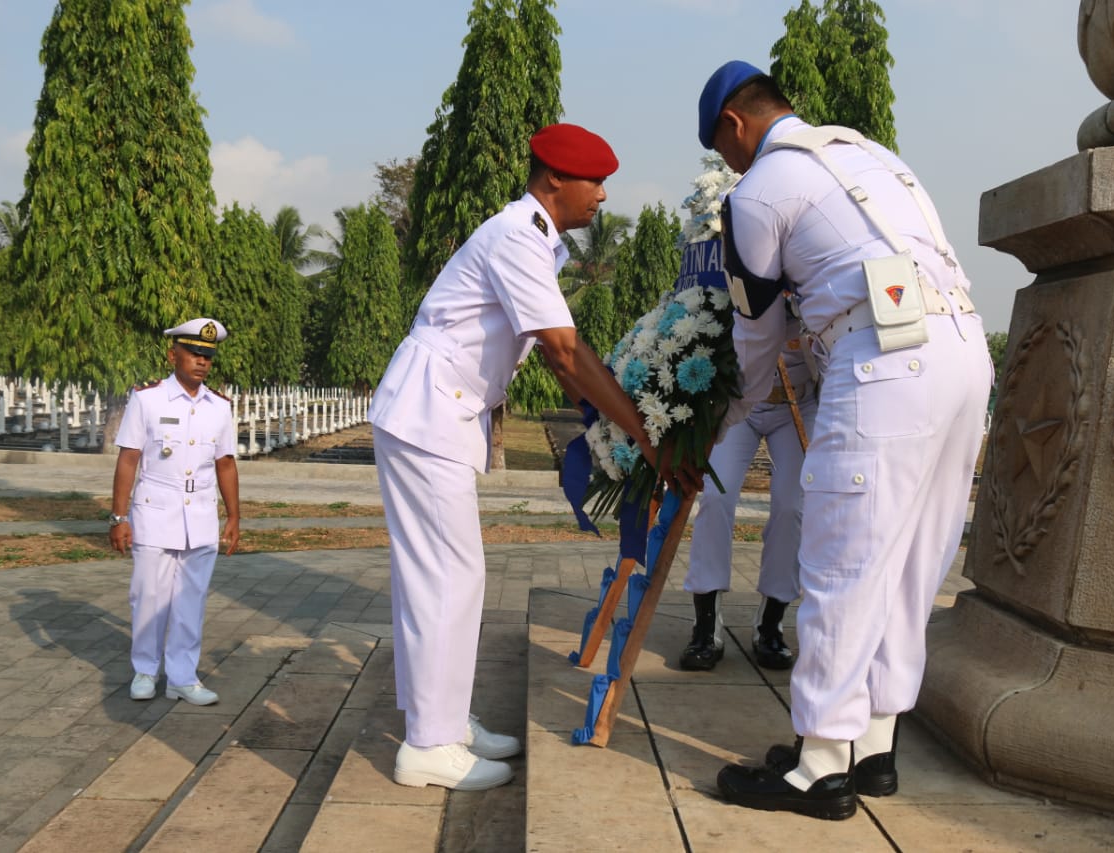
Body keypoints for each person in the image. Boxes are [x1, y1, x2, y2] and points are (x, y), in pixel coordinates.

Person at [696, 61, 993, 820]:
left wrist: (732, 408)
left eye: (722, 149)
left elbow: (756, 332)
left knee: (842, 559)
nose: (728, 165)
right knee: (911, 565)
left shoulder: (759, 190)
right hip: (964, 357)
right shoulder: (874, 155)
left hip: (887, 366)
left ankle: (820, 765)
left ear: (735, 124)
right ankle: (874, 747)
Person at [369, 123, 693, 793]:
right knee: (445, 581)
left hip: (438, 412)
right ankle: (428, 742)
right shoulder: (519, 235)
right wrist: (640, 432)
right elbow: (563, 349)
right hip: (429, 412)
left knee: (451, 579)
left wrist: (605, 417)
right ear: (554, 182)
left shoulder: (534, 239)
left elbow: (557, 356)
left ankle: (447, 723)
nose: (603, 195)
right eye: (595, 182)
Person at [109, 318, 241, 707]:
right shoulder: (147, 400)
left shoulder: (219, 407)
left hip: (200, 515)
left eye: (208, 356)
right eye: (195, 354)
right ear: (173, 355)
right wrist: (119, 518)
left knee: (191, 600)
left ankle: (183, 676)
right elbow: (129, 459)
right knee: (149, 596)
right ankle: (146, 670)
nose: (202, 362)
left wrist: (233, 517)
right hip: (154, 511)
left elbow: (226, 463)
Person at [680, 326, 817, 672]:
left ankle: (771, 622)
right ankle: (706, 626)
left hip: (800, 404)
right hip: (741, 403)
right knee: (716, 496)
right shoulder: (746, 271)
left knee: (792, 506)